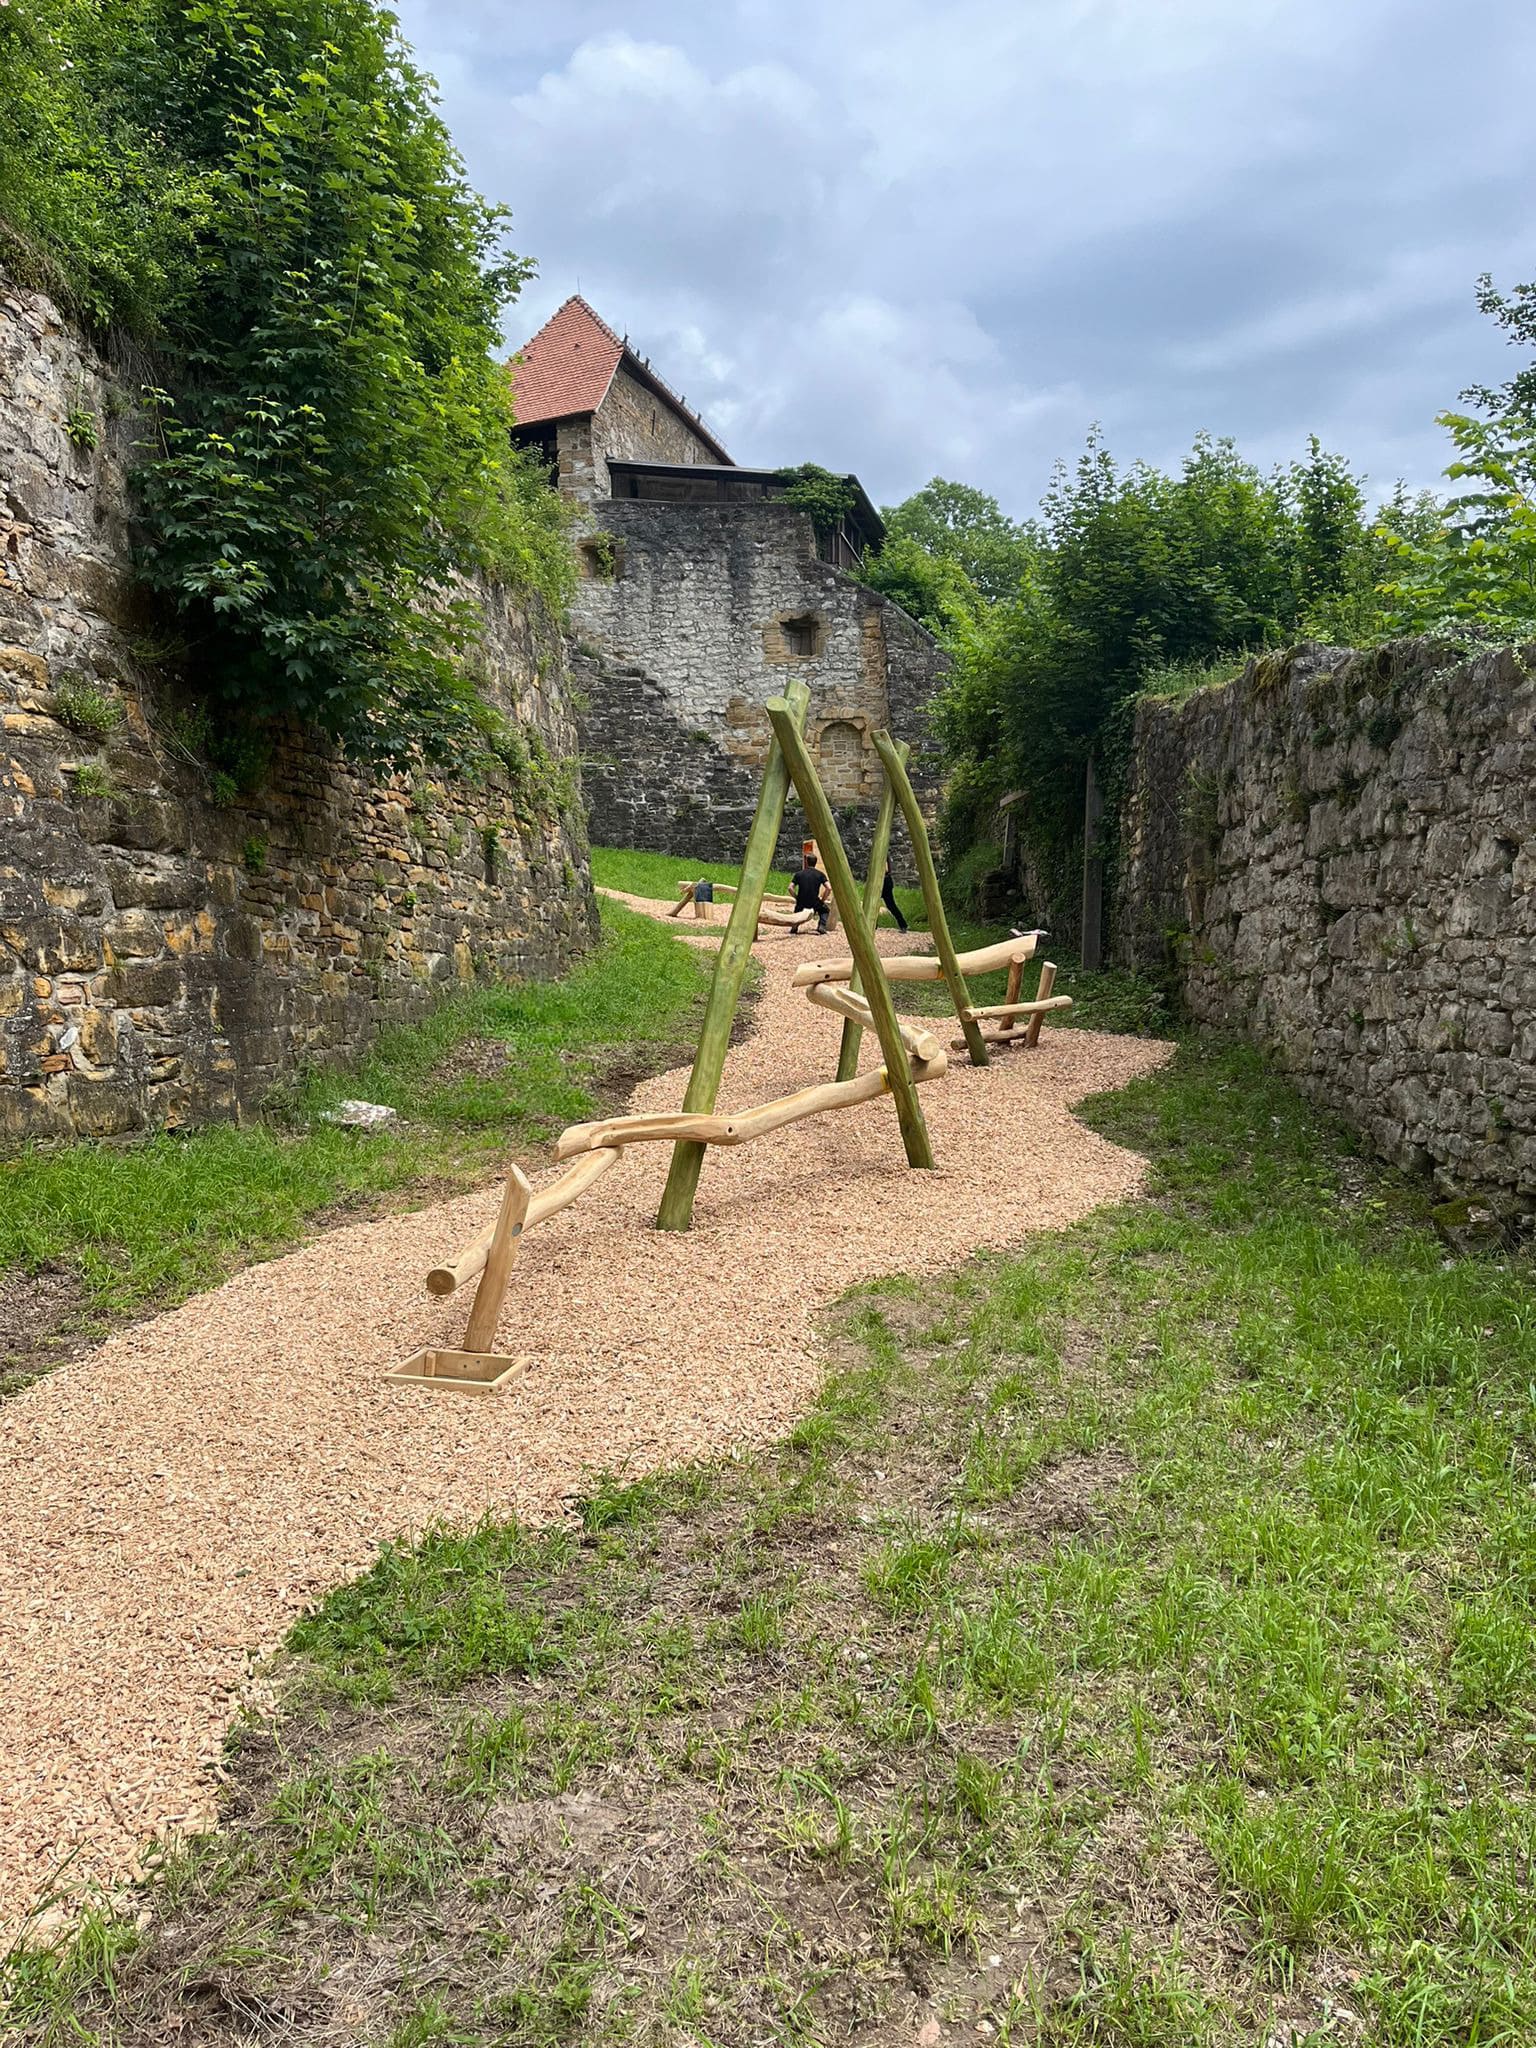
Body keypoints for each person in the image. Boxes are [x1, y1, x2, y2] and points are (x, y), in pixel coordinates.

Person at [791, 850, 831, 934]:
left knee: (797, 912)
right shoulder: (820, 874)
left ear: (806, 862)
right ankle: (821, 926)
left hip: (801, 902)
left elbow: (790, 888)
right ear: (815, 862)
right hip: (814, 902)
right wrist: (822, 900)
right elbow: (829, 888)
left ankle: (794, 927)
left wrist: (796, 897)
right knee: (825, 911)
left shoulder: (799, 874)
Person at [881, 865, 908, 932]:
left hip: (884, 882)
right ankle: (903, 925)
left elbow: (886, 869)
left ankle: (903, 925)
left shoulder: (883, 858)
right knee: (873, 904)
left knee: (891, 905)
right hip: (883, 881)